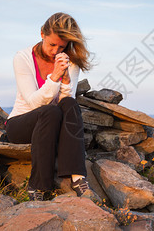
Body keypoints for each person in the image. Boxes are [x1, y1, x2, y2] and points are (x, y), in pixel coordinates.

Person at [5, 12, 92, 201]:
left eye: (61, 46)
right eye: (52, 44)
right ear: (42, 34)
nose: (56, 51)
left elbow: (64, 104)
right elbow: (33, 102)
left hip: (53, 123)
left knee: (69, 103)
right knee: (49, 111)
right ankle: (38, 186)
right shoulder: (22, 58)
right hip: (21, 124)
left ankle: (77, 177)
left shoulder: (70, 62)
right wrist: (54, 77)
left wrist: (66, 80)